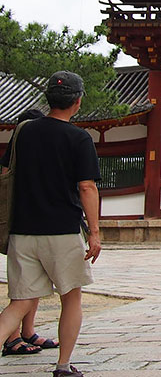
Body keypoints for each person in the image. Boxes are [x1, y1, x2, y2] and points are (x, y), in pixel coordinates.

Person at [0, 71, 102, 377]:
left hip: (23, 230)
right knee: (70, 297)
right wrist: (95, 232)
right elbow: (87, 186)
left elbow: (7, 171)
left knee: (19, 303)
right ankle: (62, 365)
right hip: (61, 230)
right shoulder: (78, 138)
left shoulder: (23, 132)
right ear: (78, 101)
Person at [2, 108, 60, 358]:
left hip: (32, 224)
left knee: (32, 284)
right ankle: (12, 337)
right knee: (22, 288)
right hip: (22, 224)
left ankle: (28, 330)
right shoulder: (17, 147)